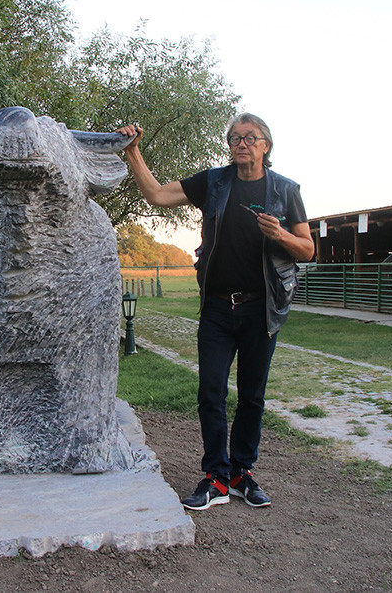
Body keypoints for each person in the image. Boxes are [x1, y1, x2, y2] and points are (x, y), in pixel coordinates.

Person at [117, 113, 315, 511]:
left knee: (252, 397)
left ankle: (242, 473)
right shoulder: (214, 182)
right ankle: (216, 477)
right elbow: (156, 195)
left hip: (261, 310)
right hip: (217, 310)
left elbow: (308, 249)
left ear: (266, 146)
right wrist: (133, 152)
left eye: (250, 137)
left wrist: (279, 234)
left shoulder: (285, 191)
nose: (241, 143)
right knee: (210, 392)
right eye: (234, 138)